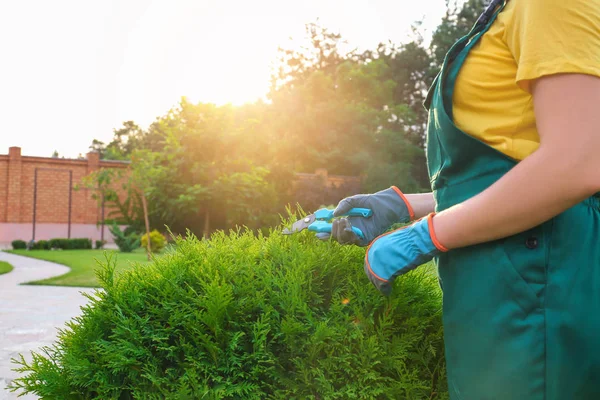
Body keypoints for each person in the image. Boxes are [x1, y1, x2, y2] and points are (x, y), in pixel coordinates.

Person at [322, 0, 600, 398]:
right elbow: (501, 172)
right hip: (503, 278)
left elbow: (576, 163)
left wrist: (425, 234)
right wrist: (404, 205)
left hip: (539, 280)